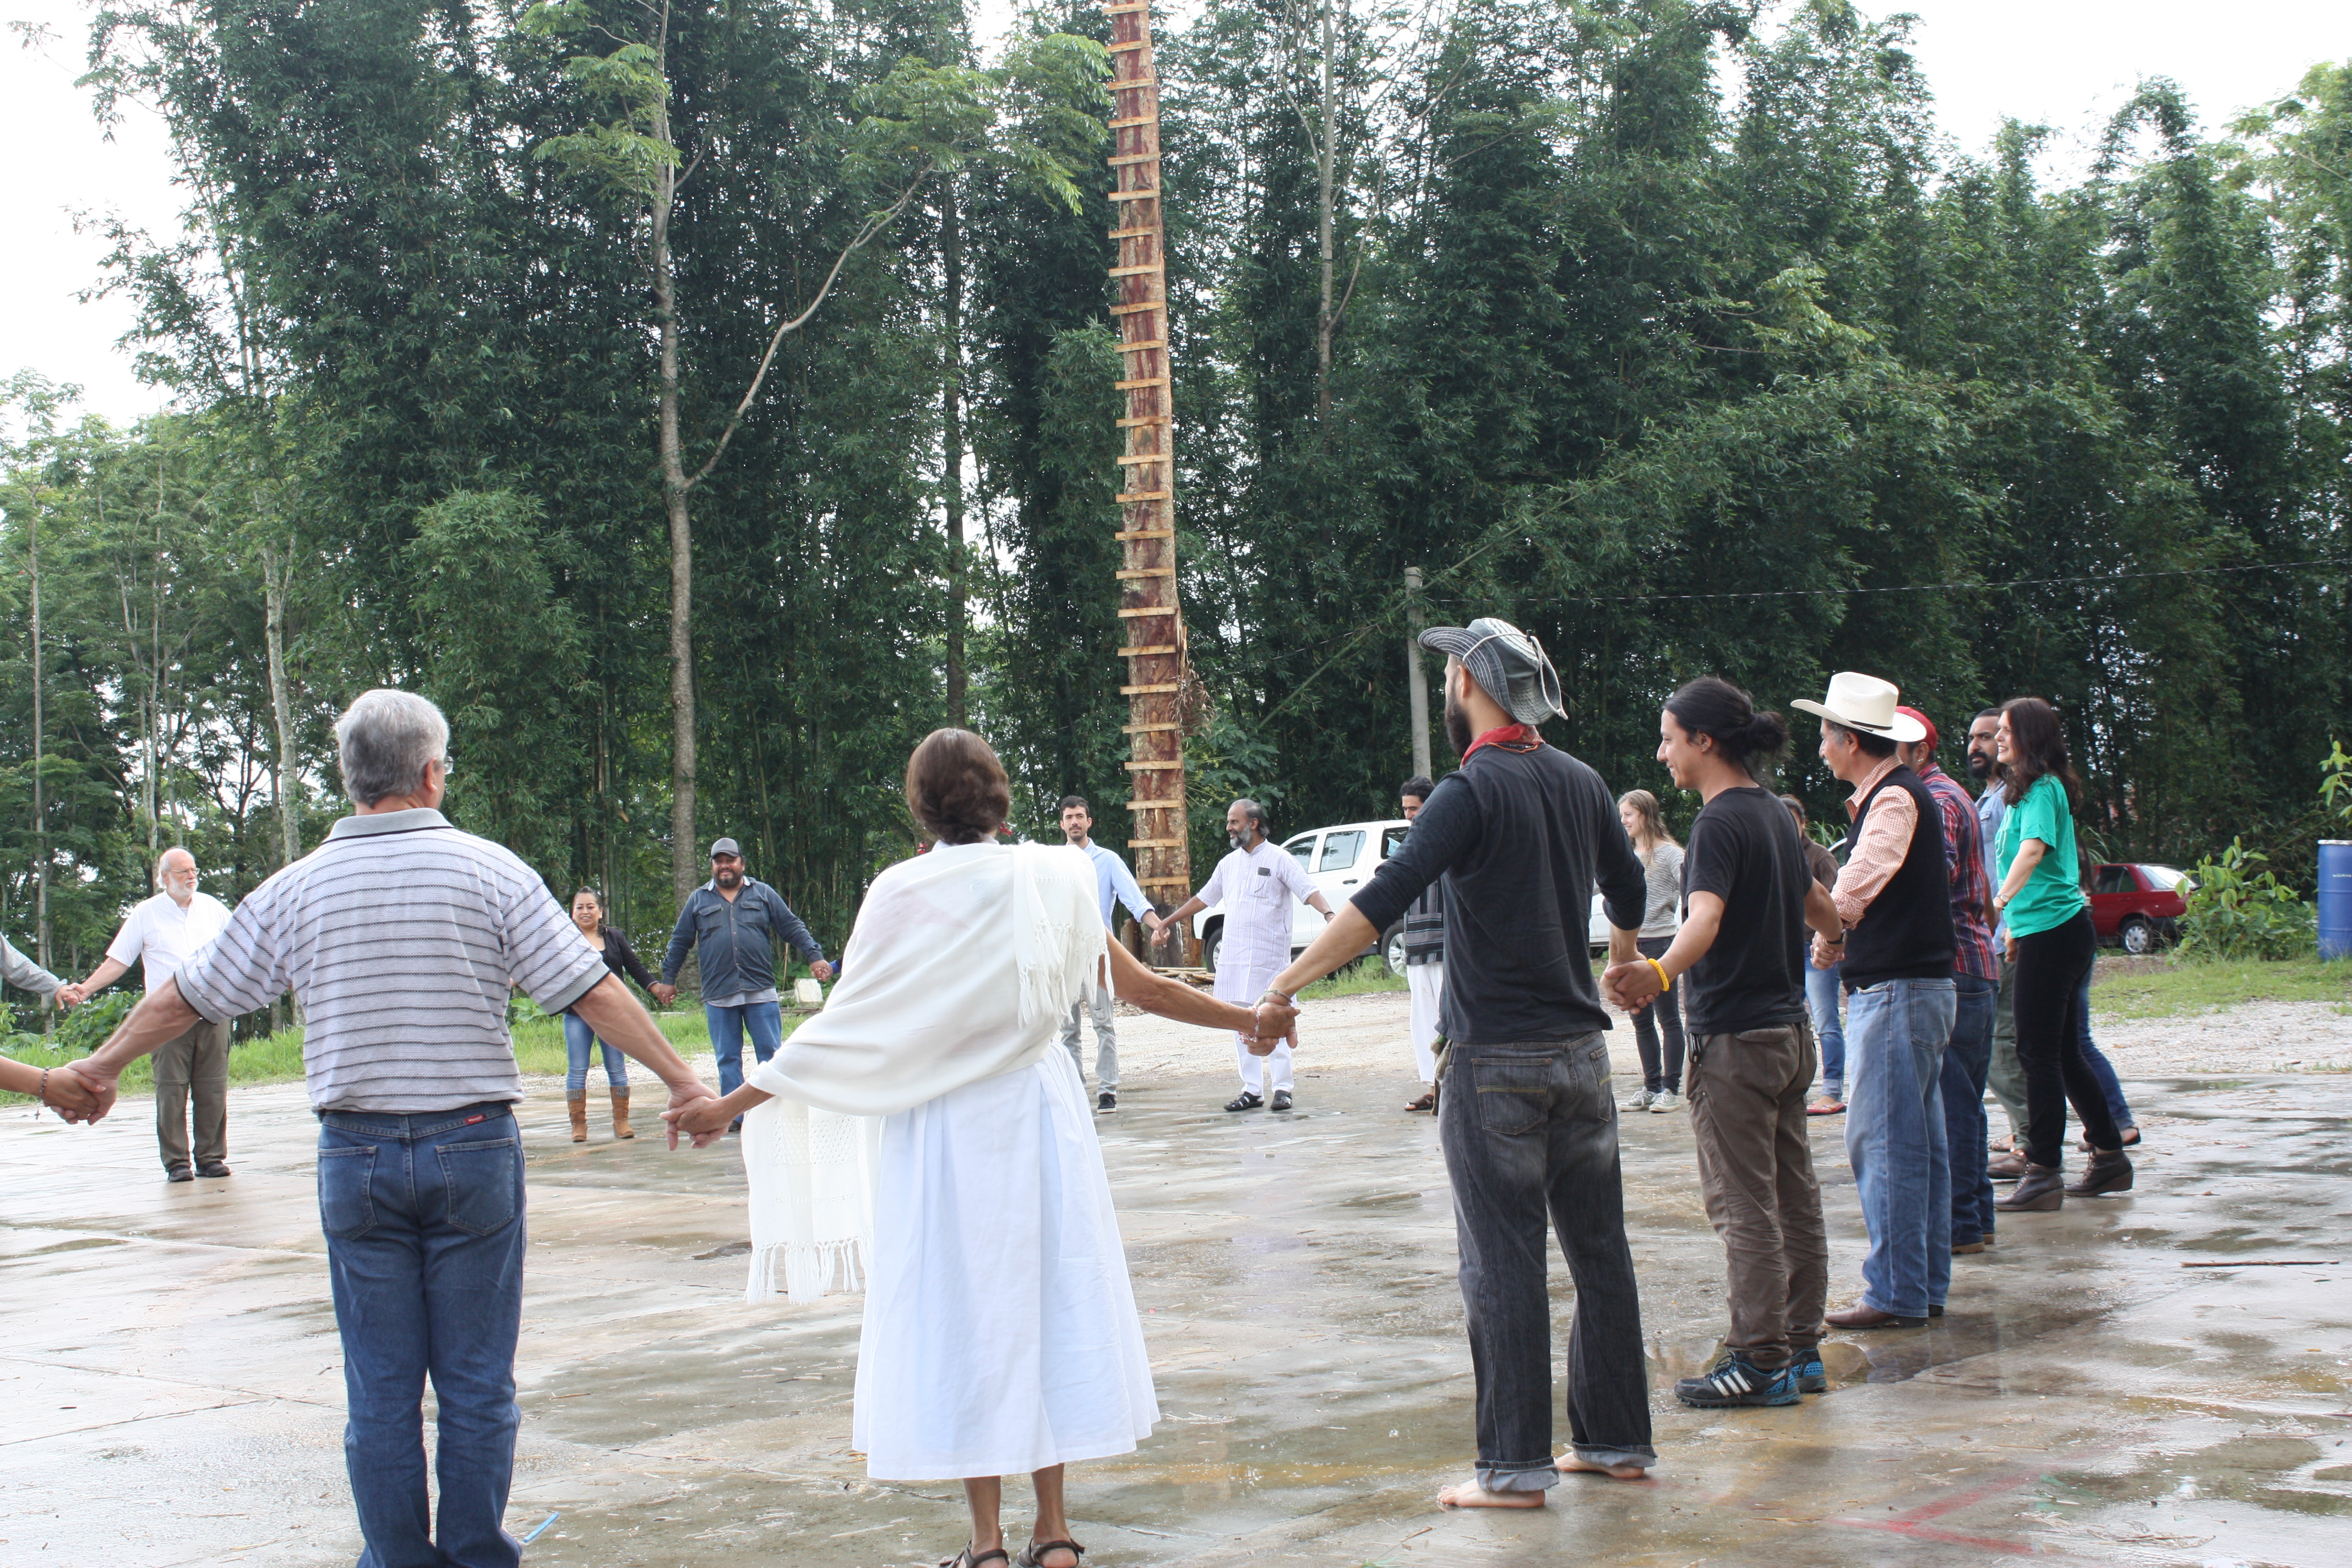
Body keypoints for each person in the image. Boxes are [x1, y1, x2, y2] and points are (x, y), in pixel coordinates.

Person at [52, 688, 722, 1568]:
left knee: (380, 1390)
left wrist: (99, 1067)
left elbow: (187, 995)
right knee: (478, 1384)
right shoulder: (493, 873)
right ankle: (478, 1552)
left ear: (349, 777)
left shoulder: (295, 889)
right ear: (432, 773)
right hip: (474, 1145)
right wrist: (682, 1082)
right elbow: (589, 989)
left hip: (355, 1155)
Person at [668, 729, 1272, 1568]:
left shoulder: (897, 891)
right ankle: (1053, 1531)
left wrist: (728, 1103)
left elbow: (843, 1027)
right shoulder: (1055, 877)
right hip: (1039, 1117)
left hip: (943, 1131)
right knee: (1047, 1302)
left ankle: (986, 1542)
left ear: (920, 807)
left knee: (965, 1316)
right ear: (1002, 800)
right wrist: (1250, 1020)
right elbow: (1143, 989)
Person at [1255, 616, 1653, 1508]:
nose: (1445, 687)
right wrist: (1622, 957)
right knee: (1599, 1253)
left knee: (1502, 1260)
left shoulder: (1468, 791)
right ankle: (1618, 1441)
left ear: (1469, 686)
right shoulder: (1583, 782)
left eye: (1449, 673)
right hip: (1582, 1058)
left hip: (1494, 1063)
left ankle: (1513, 1468)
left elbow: (1379, 904)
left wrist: (1282, 986)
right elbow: (1626, 889)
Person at [1603, 678, 1844, 1407]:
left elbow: (1702, 921)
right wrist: (1833, 939)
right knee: (1794, 1195)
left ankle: (1759, 1359)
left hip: (1737, 1044)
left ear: (1704, 742)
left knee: (1744, 1205)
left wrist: (1654, 973)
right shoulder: (1774, 814)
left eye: (1670, 738)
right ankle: (1802, 1348)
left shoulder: (1716, 826)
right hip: (1792, 1037)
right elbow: (1818, 904)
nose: (1662, 752)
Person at [1793, 673, 1956, 1331]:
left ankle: (1895, 1290)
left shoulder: (1893, 801)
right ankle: (1919, 1284)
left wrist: (1825, 934)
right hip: (1912, 989)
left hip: (1899, 990)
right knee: (1919, 1146)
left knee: (1883, 1141)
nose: (1822, 749)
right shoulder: (1890, 795)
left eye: (1827, 736)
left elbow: (1854, 890)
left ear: (1852, 740)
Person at [1989, 696, 2132, 1210]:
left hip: (2057, 932)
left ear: (2029, 737)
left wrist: (1999, 903)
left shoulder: (2044, 789)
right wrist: (2013, 925)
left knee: (2037, 1053)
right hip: (2046, 930)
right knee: (2064, 1053)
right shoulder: (2023, 793)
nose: (1996, 739)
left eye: (2004, 731)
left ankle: (2044, 1169)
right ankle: (2111, 1157)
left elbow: (2032, 852)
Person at [1892, 708, 2000, 1258]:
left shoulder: (1929, 800)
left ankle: (1960, 1224)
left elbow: (1934, 881)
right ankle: (1976, 1218)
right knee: (1967, 1103)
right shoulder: (1955, 794)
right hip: (1975, 962)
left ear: (1915, 749)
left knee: (1952, 1106)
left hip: (1951, 967)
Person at [59, 847, 235, 1181]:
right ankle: (177, 1163)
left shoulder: (213, 908)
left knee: (212, 1089)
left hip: (213, 1011)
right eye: (183, 872)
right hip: (166, 1018)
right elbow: (119, 961)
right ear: (164, 877)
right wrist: (87, 988)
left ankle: (211, 1157)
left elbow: (241, 945)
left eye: (194, 870)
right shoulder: (146, 913)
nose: (191, 877)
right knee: (171, 1090)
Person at [1159, 799, 1335, 1112]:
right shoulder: (1228, 864)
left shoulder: (1280, 858)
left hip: (1270, 960)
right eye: (1229, 822)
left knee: (1274, 1019)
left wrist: (1330, 914)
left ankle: (1283, 1089)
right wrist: (1168, 921)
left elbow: (1307, 890)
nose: (1229, 827)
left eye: (1234, 822)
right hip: (1235, 958)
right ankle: (1252, 1090)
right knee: (1238, 1022)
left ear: (1252, 823)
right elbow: (1204, 899)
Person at [656, 837, 835, 1128]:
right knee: (728, 1059)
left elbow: (791, 926)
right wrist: (667, 979)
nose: (724, 866)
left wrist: (815, 956)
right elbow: (680, 942)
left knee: (772, 1055)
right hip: (719, 993)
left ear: (742, 863)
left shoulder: (763, 894)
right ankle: (734, 1118)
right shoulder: (699, 900)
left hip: (760, 990)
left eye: (730, 860)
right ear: (712, 866)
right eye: (719, 861)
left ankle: (777, 1113)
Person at [1055, 794, 1163, 1111]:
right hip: (1065, 957)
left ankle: (1107, 1091)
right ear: (1062, 824)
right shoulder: (1054, 863)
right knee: (1068, 1029)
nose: (1075, 822)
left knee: (1104, 1024)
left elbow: (1135, 900)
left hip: (1099, 955)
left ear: (1089, 822)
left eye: (1080, 816)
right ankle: (1074, 1089)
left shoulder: (1108, 861)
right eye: (1069, 817)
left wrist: (1157, 925)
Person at [563, 887, 661, 1142]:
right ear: (572, 913)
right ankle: (579, 1126)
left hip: (613, 1014)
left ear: (601, 911)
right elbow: (544, 967)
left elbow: (635, 967)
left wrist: (655, 987)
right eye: (580, 907)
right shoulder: (564, 940)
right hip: (577, 1013)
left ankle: (621, 1122)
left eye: (590, 907)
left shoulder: (614, 937)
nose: (585, 911)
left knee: (616, 1068)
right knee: (577, 1070)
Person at [1615, 789, 1687, 1114]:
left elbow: (1694, 889)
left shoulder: (1671, 854)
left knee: (1668, 1018)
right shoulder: (1625, 856)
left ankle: (1671, 1089)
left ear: (1644, 815)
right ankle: (1651, 1086)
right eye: (1621, 816)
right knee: (1640, 1020)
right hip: (1633, 946)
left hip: (1662, 944)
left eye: (1628, 815)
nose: (1624, 821)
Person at [1780, 795, 1847, 1115]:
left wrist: (1833, 940)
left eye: (1791, 821)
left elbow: (1835, 903)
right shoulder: (1774, 853)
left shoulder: (1818, 857)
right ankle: (1793, 1086)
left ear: (1803, 824)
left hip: (1816, 950)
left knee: (1826, 1021)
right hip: (1783, 951)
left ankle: (1832, 1090)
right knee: (1789, 1022)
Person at [1398, 776, 1445, 1113]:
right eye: (1405, 810)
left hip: (1446, 944)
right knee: (1422, 1019)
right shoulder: (1407, 843)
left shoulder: (1450, 839)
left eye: (1414, 809)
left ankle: (1452, 1088)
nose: (1409, 816)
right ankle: (1432, 1087)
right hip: (1414, 944)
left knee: (1448, 1019)